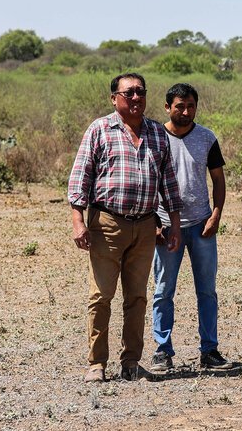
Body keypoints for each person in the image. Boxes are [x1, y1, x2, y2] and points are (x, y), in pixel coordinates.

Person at [68, 72, 182, 382]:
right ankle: (97, 363)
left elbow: (169, 183)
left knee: (137, 298)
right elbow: (81, 178)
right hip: (107, 224)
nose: (136, 98)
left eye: (140, 92)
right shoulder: (100, 130)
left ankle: (131, 362)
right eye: (128, 92)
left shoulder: (158, 133)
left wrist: (173, 225)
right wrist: (79, 222)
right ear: (114, 98)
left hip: (145, 226)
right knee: (101, 296)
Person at [149, 83, 232, 373]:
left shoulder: (207, 137)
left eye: (191, 106)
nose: (185, 111)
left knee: (207, 290)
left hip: (201, 225)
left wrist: (216, 216)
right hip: (165, 226)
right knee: (163, 290)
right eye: (179, 106)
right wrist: (155, 223)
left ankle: (209, 350)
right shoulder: (155, 136)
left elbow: (219, 180)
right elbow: (146, 182)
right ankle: (162, 350)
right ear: (167, 107)